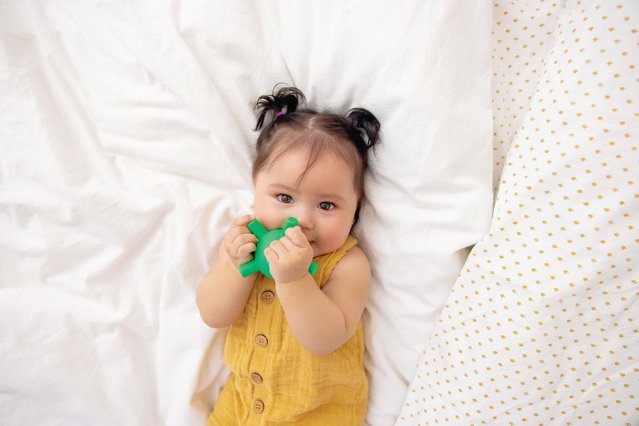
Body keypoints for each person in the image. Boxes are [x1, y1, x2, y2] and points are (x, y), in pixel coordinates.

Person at [196, 86, 381, 425]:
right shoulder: (245, 242)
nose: (303, 220)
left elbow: (325, 340)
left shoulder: (346, 264)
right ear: (256, 191)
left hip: (317, 415)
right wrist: (237, 267)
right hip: (239, 406)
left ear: (356, 209)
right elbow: (213, 314)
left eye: (327, 205)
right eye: (284, 198)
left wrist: (296, 279)